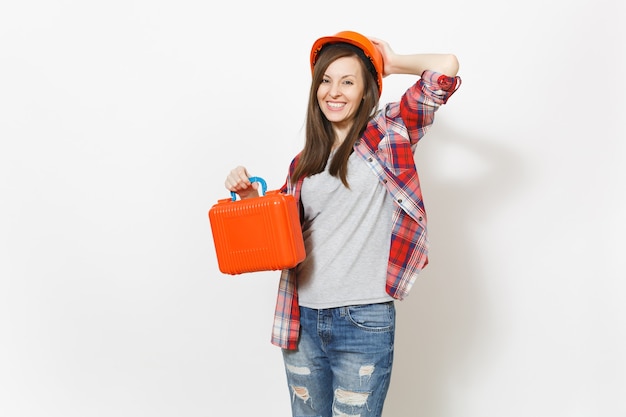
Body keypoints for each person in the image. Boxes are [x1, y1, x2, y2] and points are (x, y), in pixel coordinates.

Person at [224, 30, 461, 417]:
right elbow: (279, 235)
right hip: (301, 319)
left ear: (366, 90)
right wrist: (251, 199)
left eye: (348, 81)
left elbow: (445, 69)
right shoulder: (304, 162)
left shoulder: (388, 133)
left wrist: (391, 63)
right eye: (326, 80)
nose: (334, 91)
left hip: (363, 319)